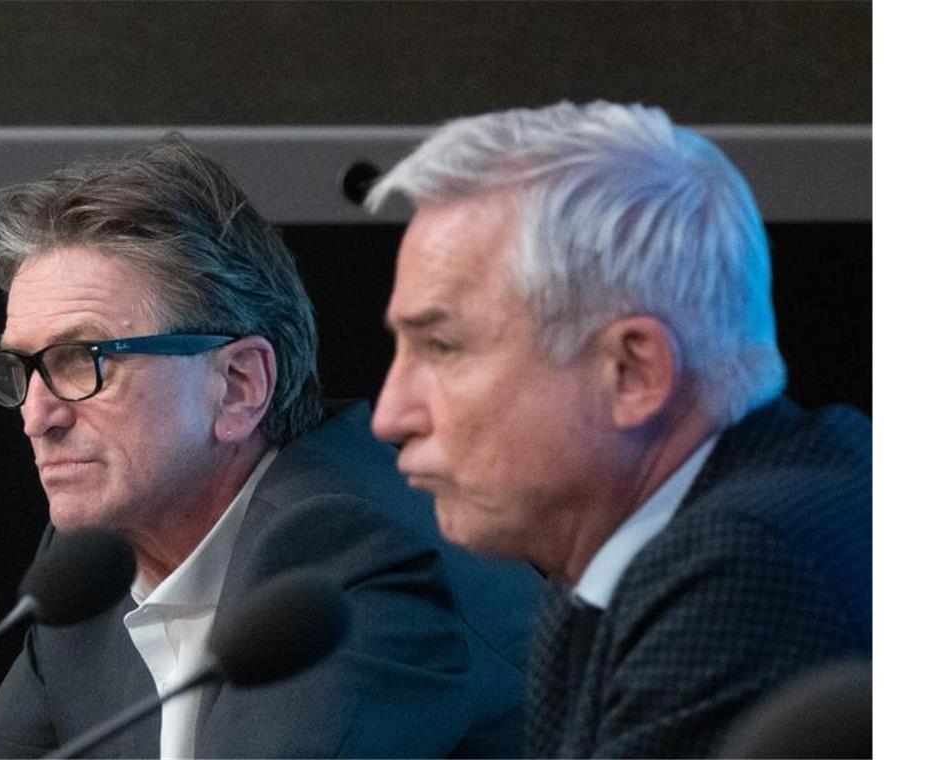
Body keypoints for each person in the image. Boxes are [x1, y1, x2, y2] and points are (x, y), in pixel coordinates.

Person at [0, 133, 543, 758]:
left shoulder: (356, 553)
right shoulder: (96, 559)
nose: (37, 415)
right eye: (21, 368)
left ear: (238, 386)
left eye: (81, 360)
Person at [366, 101, 871, 758]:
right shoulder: (612, 550)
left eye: (443, 347)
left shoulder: (746, 569)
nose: (390, 414)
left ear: (632, 372)